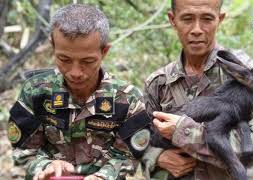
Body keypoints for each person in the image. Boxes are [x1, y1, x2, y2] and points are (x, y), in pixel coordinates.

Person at [7, 4, 151, 180]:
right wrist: (45, 166)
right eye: (64, 59)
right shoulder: (36, 91)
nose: (75, 72)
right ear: (53, 46)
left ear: (104, 51)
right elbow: (24, 150)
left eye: (87, 61)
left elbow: (127, 156)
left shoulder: (127, 99)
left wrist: (103, 177)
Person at [142, 0, 253, 179]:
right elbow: (140, 141)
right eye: (187, 19)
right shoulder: (159, 82)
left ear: (220, 19)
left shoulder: (246, 75)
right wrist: (157, 157)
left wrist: (186, 133)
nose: (197, 29)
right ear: (172, 19)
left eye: (207, 19)